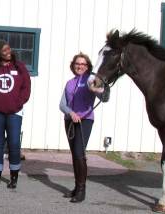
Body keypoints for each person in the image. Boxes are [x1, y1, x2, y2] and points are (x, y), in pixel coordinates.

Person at [0, 40, 32, 189]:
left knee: (14, 143)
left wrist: (18, 103)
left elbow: (26, 87)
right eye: (4, 50)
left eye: (8, 48)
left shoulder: (20, 67)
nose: (7, 52)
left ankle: (14, 176)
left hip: (15, 112)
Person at [59, 52, 103, 203]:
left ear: (88, 66)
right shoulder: (69, 83)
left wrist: (100, 90)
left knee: (79, 154)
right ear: (73, 65)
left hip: (85, 120)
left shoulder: (91, 81)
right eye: (77, 63)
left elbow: (104, 97)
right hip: (70, 120)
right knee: (74, 155)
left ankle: (82, 190)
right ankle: (77, 187)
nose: (80, 66)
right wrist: (70, 113)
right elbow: (62, 104)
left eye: (83, 64)